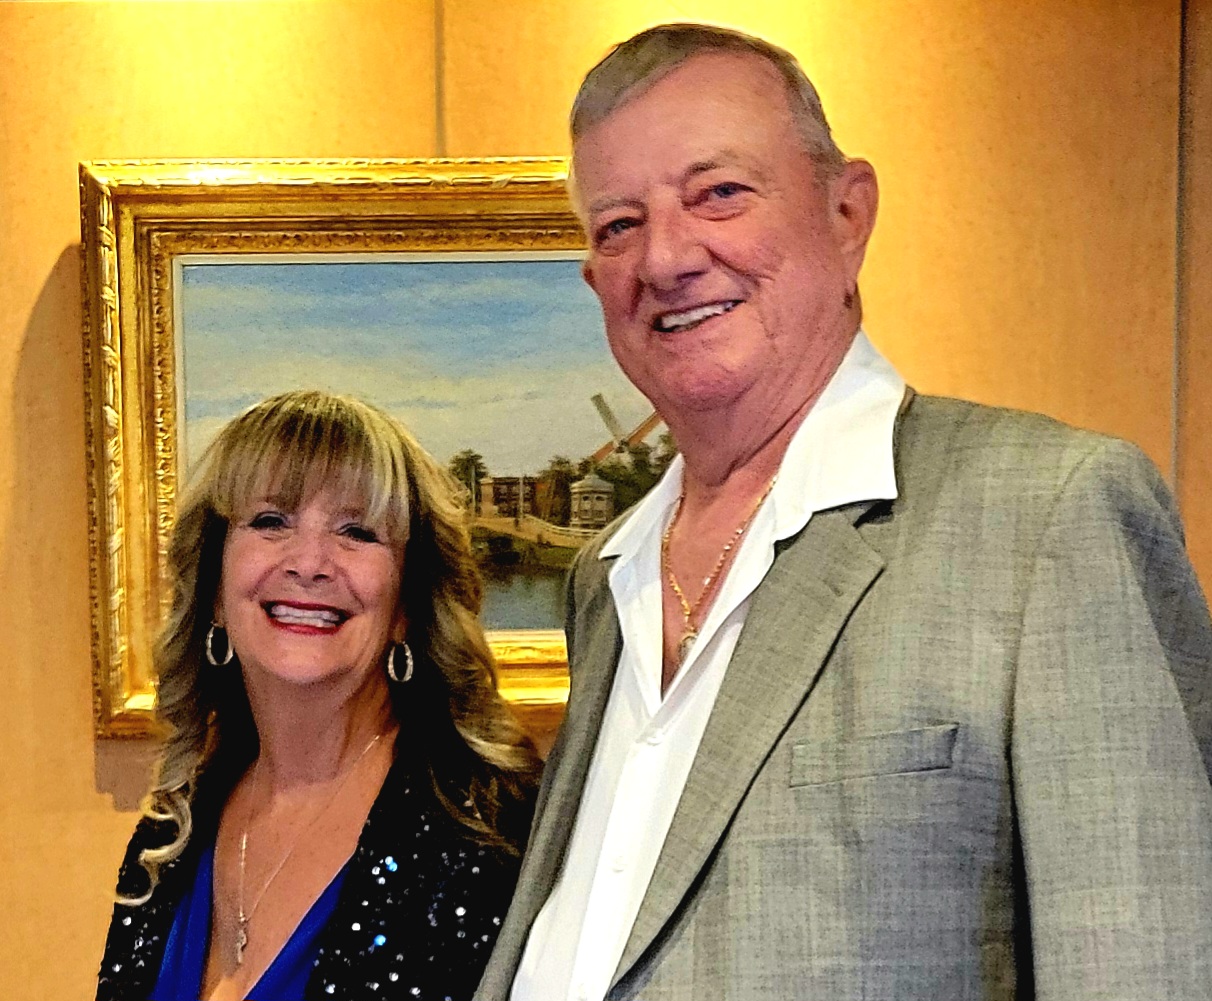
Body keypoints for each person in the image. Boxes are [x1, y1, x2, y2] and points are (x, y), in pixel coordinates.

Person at [475, 22, 1212, 1001]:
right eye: (618, 225)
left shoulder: (1051, 514)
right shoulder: (604, 576)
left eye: (719, 193)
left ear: (847, 211)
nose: (666, 257)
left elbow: (1147, 967)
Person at [97, 390, 541, 1001]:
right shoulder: (172, 829)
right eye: (270, 521)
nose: (309, 563)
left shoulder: (489, 834)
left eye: (357, 531)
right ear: (215, 588)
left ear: (407, 606)